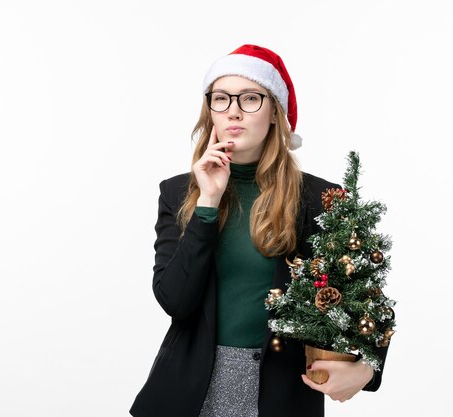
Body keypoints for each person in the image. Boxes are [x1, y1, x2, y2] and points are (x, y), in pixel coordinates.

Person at [130, 44, 389, 417]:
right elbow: (176, 301)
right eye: (221, 99)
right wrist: (208, 203)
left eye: (250, 98)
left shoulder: (321, 199)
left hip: (280, 393)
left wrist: (366, 368)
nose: (234, 110)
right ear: (210, 112)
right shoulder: (177, 192)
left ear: (274, 112)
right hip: (188, 391)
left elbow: (368, 302)